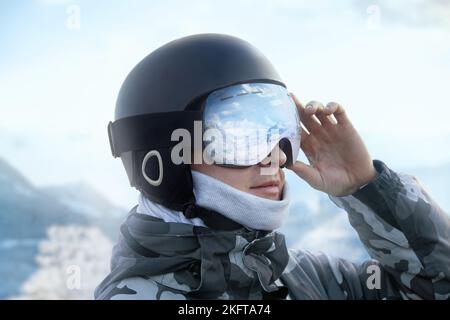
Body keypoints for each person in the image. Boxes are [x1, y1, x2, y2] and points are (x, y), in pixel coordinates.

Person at [95, 33, 450, 300]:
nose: (276, 157)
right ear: (160, 162)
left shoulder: (305, 277)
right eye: (239, 135)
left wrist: (368, 188)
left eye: (280, 131)